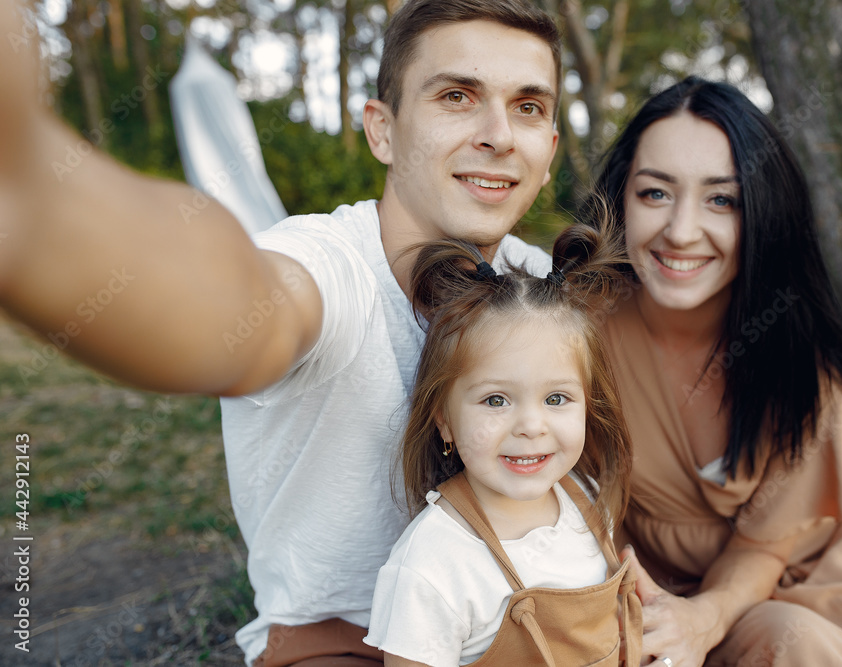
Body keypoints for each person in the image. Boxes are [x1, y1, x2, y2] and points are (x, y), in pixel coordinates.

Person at [0, 1, 563, 664]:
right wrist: (31, 204)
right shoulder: (330, 267)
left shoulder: (537, 280)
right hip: (344, 647)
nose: (499, 134)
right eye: (456, 96)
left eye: (528, 106)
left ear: (551, 149)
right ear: (382, 131)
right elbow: (243, 309)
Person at [587, 76, 842, 666]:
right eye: (655, 193)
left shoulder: (792, 345)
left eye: (722, 200)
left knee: (814, 645)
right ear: (620, 199)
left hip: (824, 558)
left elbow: (766, 545)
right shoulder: (579, 330)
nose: (681, 232)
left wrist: (703, 620)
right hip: (674, 582)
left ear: (763, 212)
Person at [362, 224, 640, 667]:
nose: (530, 426)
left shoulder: (584, 499)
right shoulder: (433, 564)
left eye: (556, 398)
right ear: (444, 420)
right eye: (496, 400)